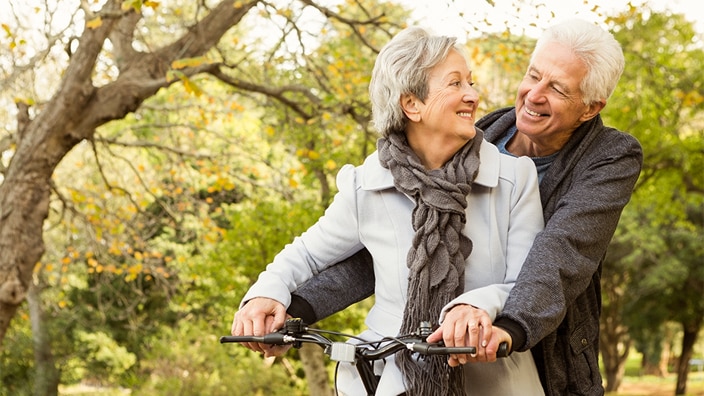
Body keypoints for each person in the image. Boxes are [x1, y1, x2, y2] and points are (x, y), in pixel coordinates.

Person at [284, 18, 644, 396]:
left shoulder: (610, 157)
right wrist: (298, 306)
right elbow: (399, 246)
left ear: (589, 108)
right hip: (450, 346)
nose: (534, 94)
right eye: (533, 75)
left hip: (540, 348)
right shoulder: (473, 136)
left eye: (556, 88)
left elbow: (562, 252)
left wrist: (506, 326)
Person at [232, 26, 546, 395]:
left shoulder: (514, 178)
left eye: (471, 83)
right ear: (411, 104)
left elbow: (527, 283)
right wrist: (266, 294)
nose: (473, 96)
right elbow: (305, 255)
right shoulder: (366, 184)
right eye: (456, 84)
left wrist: (474, 308)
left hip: (492, 381)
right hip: (389, 378)